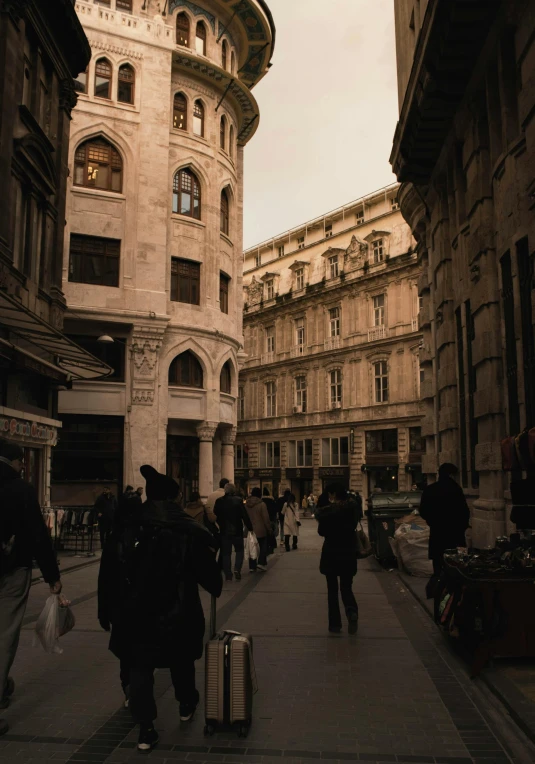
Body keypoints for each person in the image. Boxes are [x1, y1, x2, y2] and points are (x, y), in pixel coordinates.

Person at [98, 464, 222, 753]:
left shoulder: (128, 527)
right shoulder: (188, 530)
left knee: (139, 667)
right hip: (177, 611)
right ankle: (186, 702)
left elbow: (109, 572)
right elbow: (210, 579)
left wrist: (106, 610)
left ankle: (146, 728)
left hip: (134, 614)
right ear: (174, 499)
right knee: (181, 660)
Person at [0, 438, 65, 736]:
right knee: (5, 634)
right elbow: (39, 536)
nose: (23, 466)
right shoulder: (21, 491)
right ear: (13, 462)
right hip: (13, 571)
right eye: (21, 461)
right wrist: (53, 576)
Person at [316, 483, 362, 635]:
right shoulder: (352, 509)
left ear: (334, 495)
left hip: (331, 552)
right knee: (346, 586)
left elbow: (321, 531)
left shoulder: (328, 512)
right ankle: (351, 612)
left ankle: (335, 624)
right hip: (348, 551)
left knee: (332, 590)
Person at [419, 463, 470, 576]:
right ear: (451, 475)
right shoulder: (456, 489)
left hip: (438, 532)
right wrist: (463, 526)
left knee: (438, 566)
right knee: (456, 567)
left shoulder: (431, 489)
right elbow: (464, 511)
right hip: (455, 534)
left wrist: (432, 521)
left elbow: (423, 510)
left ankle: (439, 588)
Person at [214, 483, 252, 581]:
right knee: (239, 551)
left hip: (224, 531)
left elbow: (215, 514)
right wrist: (250, 527)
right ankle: (237, 569)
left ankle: (228, 573)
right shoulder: (238, 501)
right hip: (237, 530)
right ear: (233, 491)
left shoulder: (219, 501)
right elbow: (244, 516)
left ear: (225, 490)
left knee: (226, 553)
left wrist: (220, 523)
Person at [245, 487, 271, 572]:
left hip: (250, 529)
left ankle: (252, 566)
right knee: (263, 546)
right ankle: (261, 563)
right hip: (261, 529)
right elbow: (266, 518)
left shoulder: (247, 504)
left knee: (252, 546)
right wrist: (269, 529)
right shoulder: (262, 504)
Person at [262, 487, 278, 555]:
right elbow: (275, 510)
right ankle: (271, 548)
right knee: (271, 534)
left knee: (265, 535)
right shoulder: (272, 501)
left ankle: (265, 548)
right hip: (271, 519)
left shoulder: (261, 501)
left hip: (263, 520)